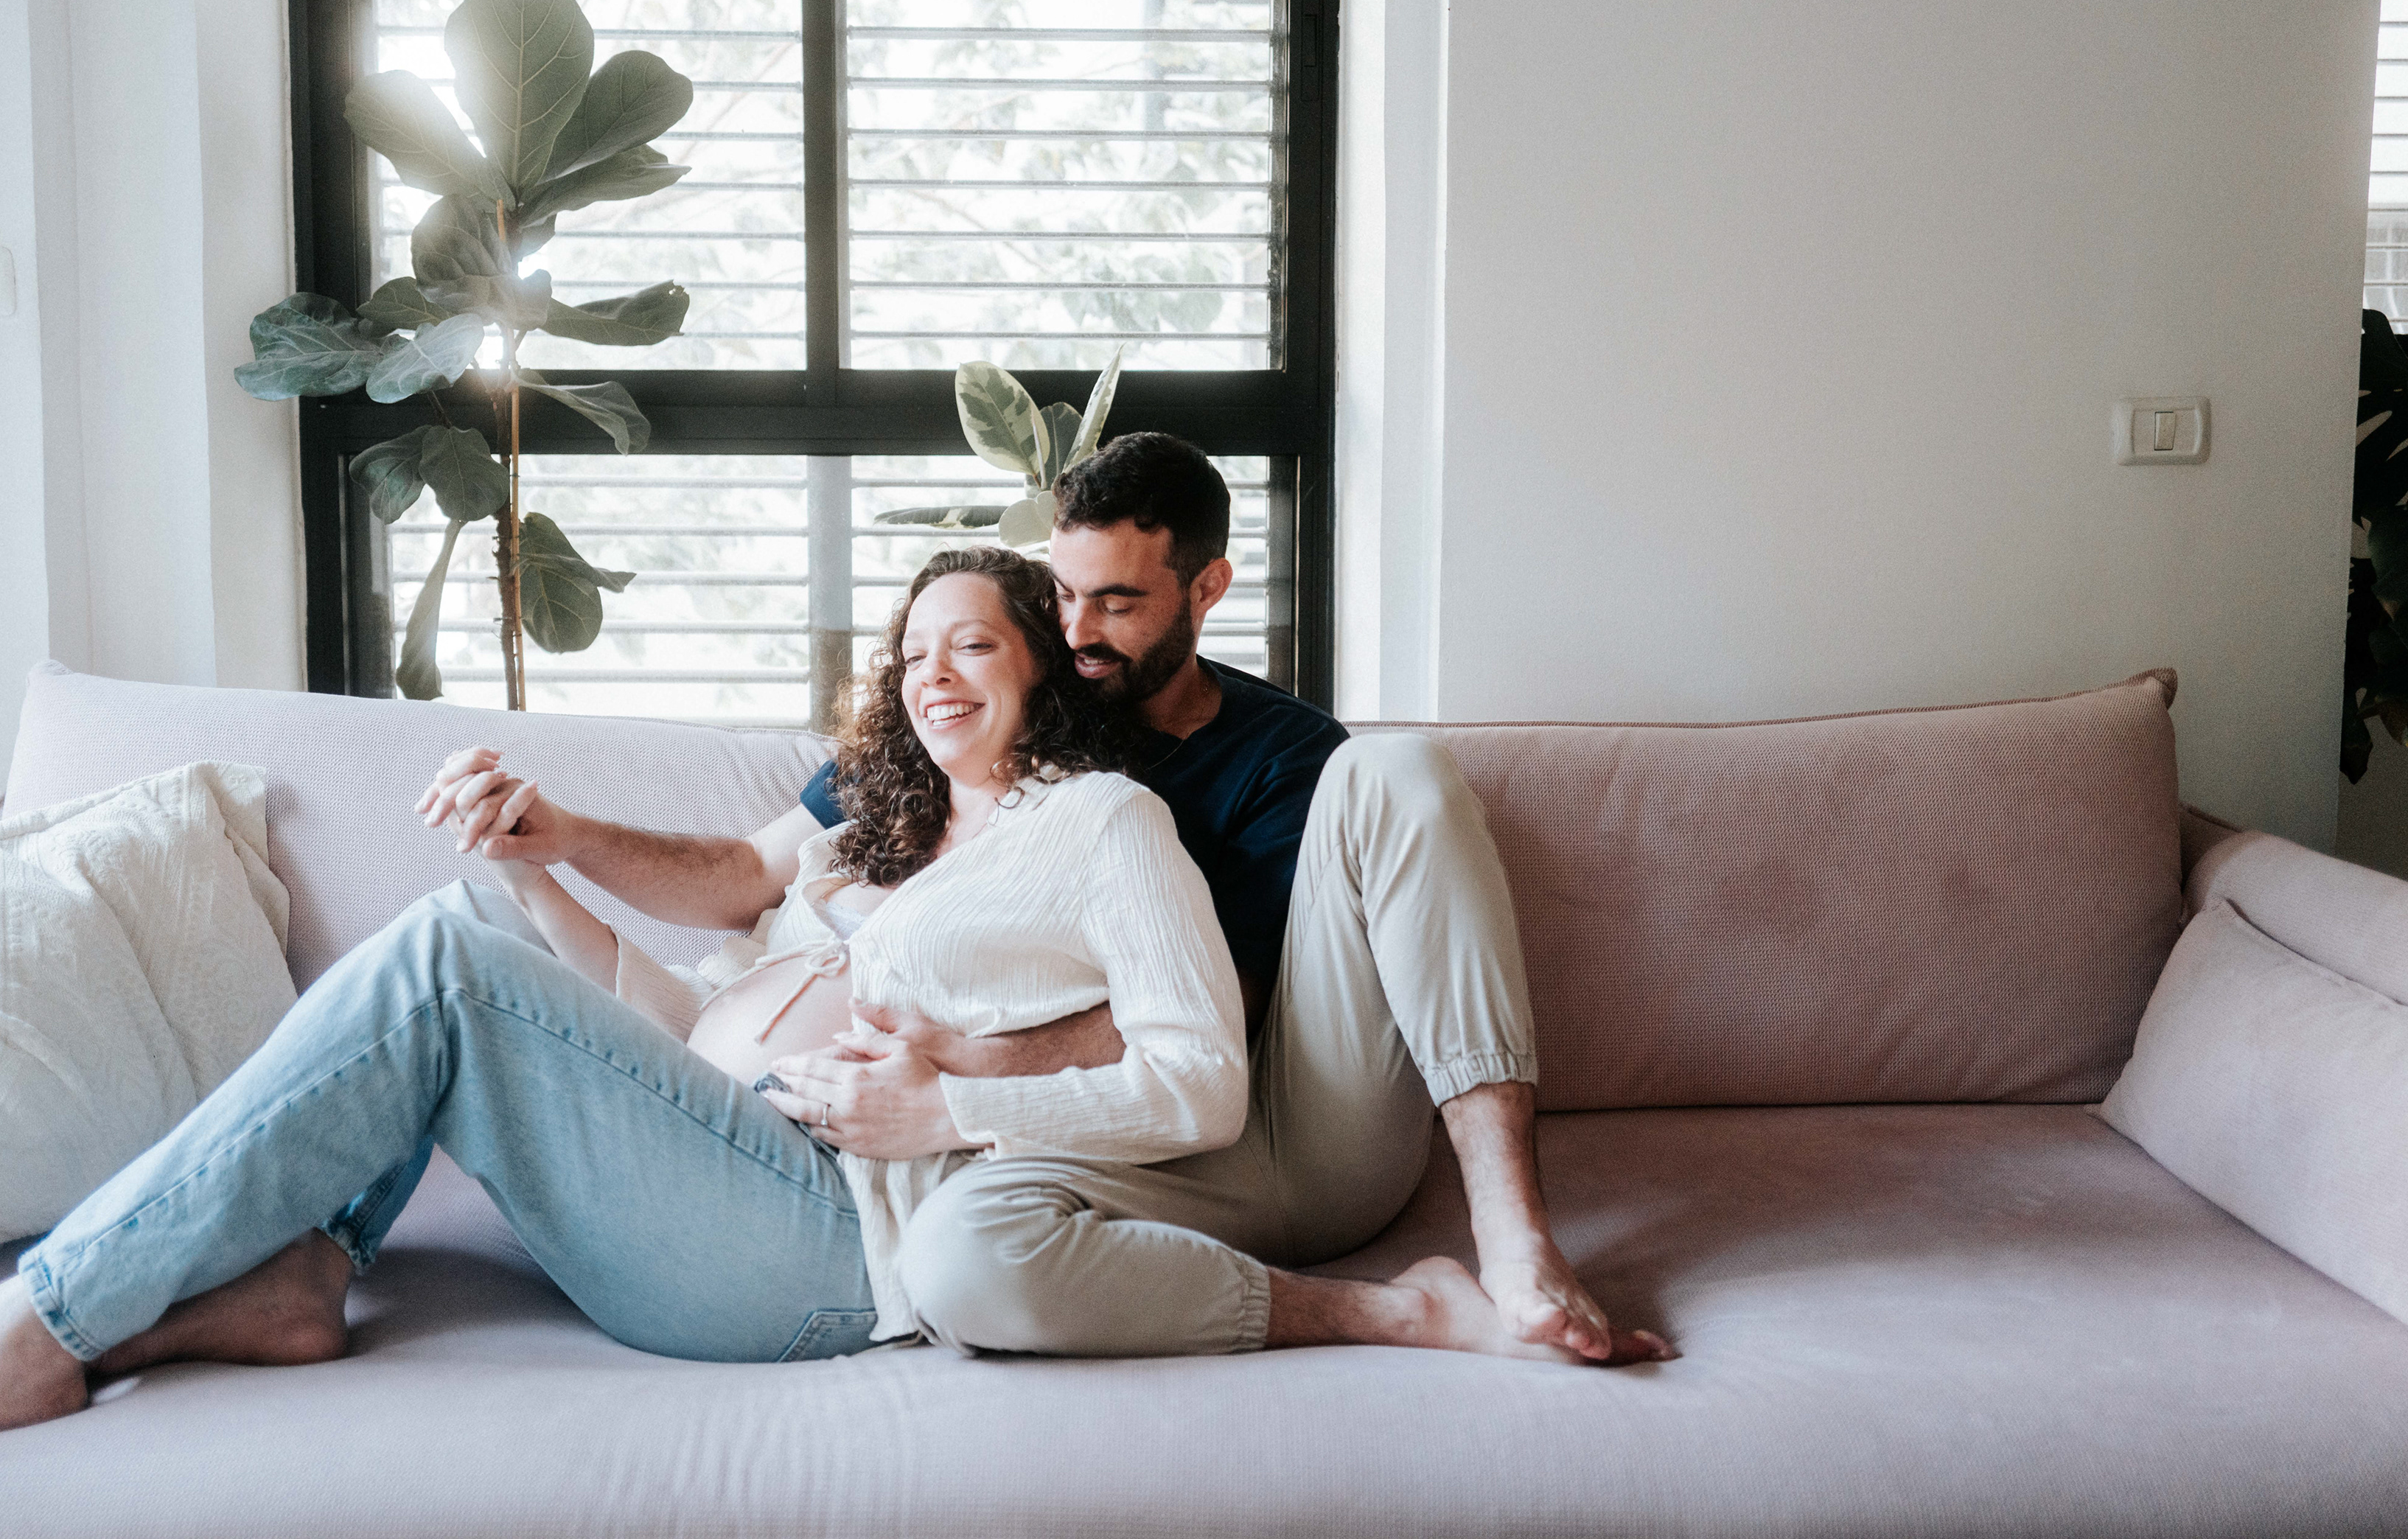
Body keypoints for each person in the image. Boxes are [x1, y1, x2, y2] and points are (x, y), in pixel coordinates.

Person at [0, 548, 1249, 1467]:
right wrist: (536, 868)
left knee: (444, 967)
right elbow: (670, 1021)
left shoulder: (1102, 826)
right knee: (468, 919)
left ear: (1047, 667)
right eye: (912, 651)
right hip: (716, 1157)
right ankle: (305, 1272)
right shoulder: (869, 842)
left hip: (824, 1247)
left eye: (974, 644)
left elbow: (1205, 1081)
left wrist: (955, 1103)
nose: (932, 675)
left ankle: (30, 1329)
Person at [433, 433, 1672, 1365]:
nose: (1079, 631)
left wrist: (957, 1070)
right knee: (959, 1260)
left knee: (1397, 772)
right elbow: (748, 877)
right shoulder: (973, 731)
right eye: (1061, 597)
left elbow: (1219, 1023)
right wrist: (564, 838)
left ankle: (1512, 1238)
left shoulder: (1266, 761)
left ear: (1207, 590)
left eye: (1118, 603)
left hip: (1276, 1108)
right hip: (1089, 1137)